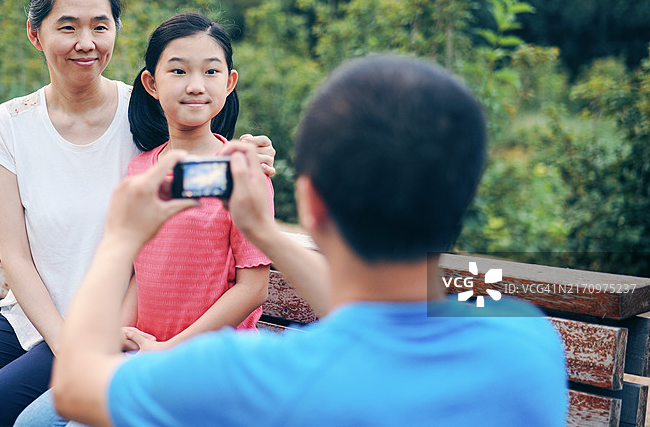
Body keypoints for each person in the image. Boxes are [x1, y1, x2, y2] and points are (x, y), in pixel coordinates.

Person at [51, 54, 569, 427]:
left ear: (311, 204)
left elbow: (75, 387)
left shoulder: (250, 375)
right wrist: (264, 233)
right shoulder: (526, 340)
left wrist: (121, 238)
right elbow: (377, 313)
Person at [0, 0, 275, 427]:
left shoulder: (145, 112)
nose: (86, 42)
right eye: (68, 27)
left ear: (115, 30)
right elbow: (15, 257)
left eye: (100, 26)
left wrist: (253, 152)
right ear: (35, 34)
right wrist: (65, 342)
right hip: (36, 314)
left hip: (114, 322)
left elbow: (203, 131)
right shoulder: (8, 126)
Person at [14, 12, 274, 426]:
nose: (195, 85)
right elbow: (143, 269)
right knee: (31, 422)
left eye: (210, 71)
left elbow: (252, 289)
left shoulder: (245, 170)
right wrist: (116, 338)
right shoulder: (141, 170)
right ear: (151, 84)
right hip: (143, 352)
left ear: (229, 83)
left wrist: (169, 349)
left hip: (207, 362)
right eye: (178, 70)